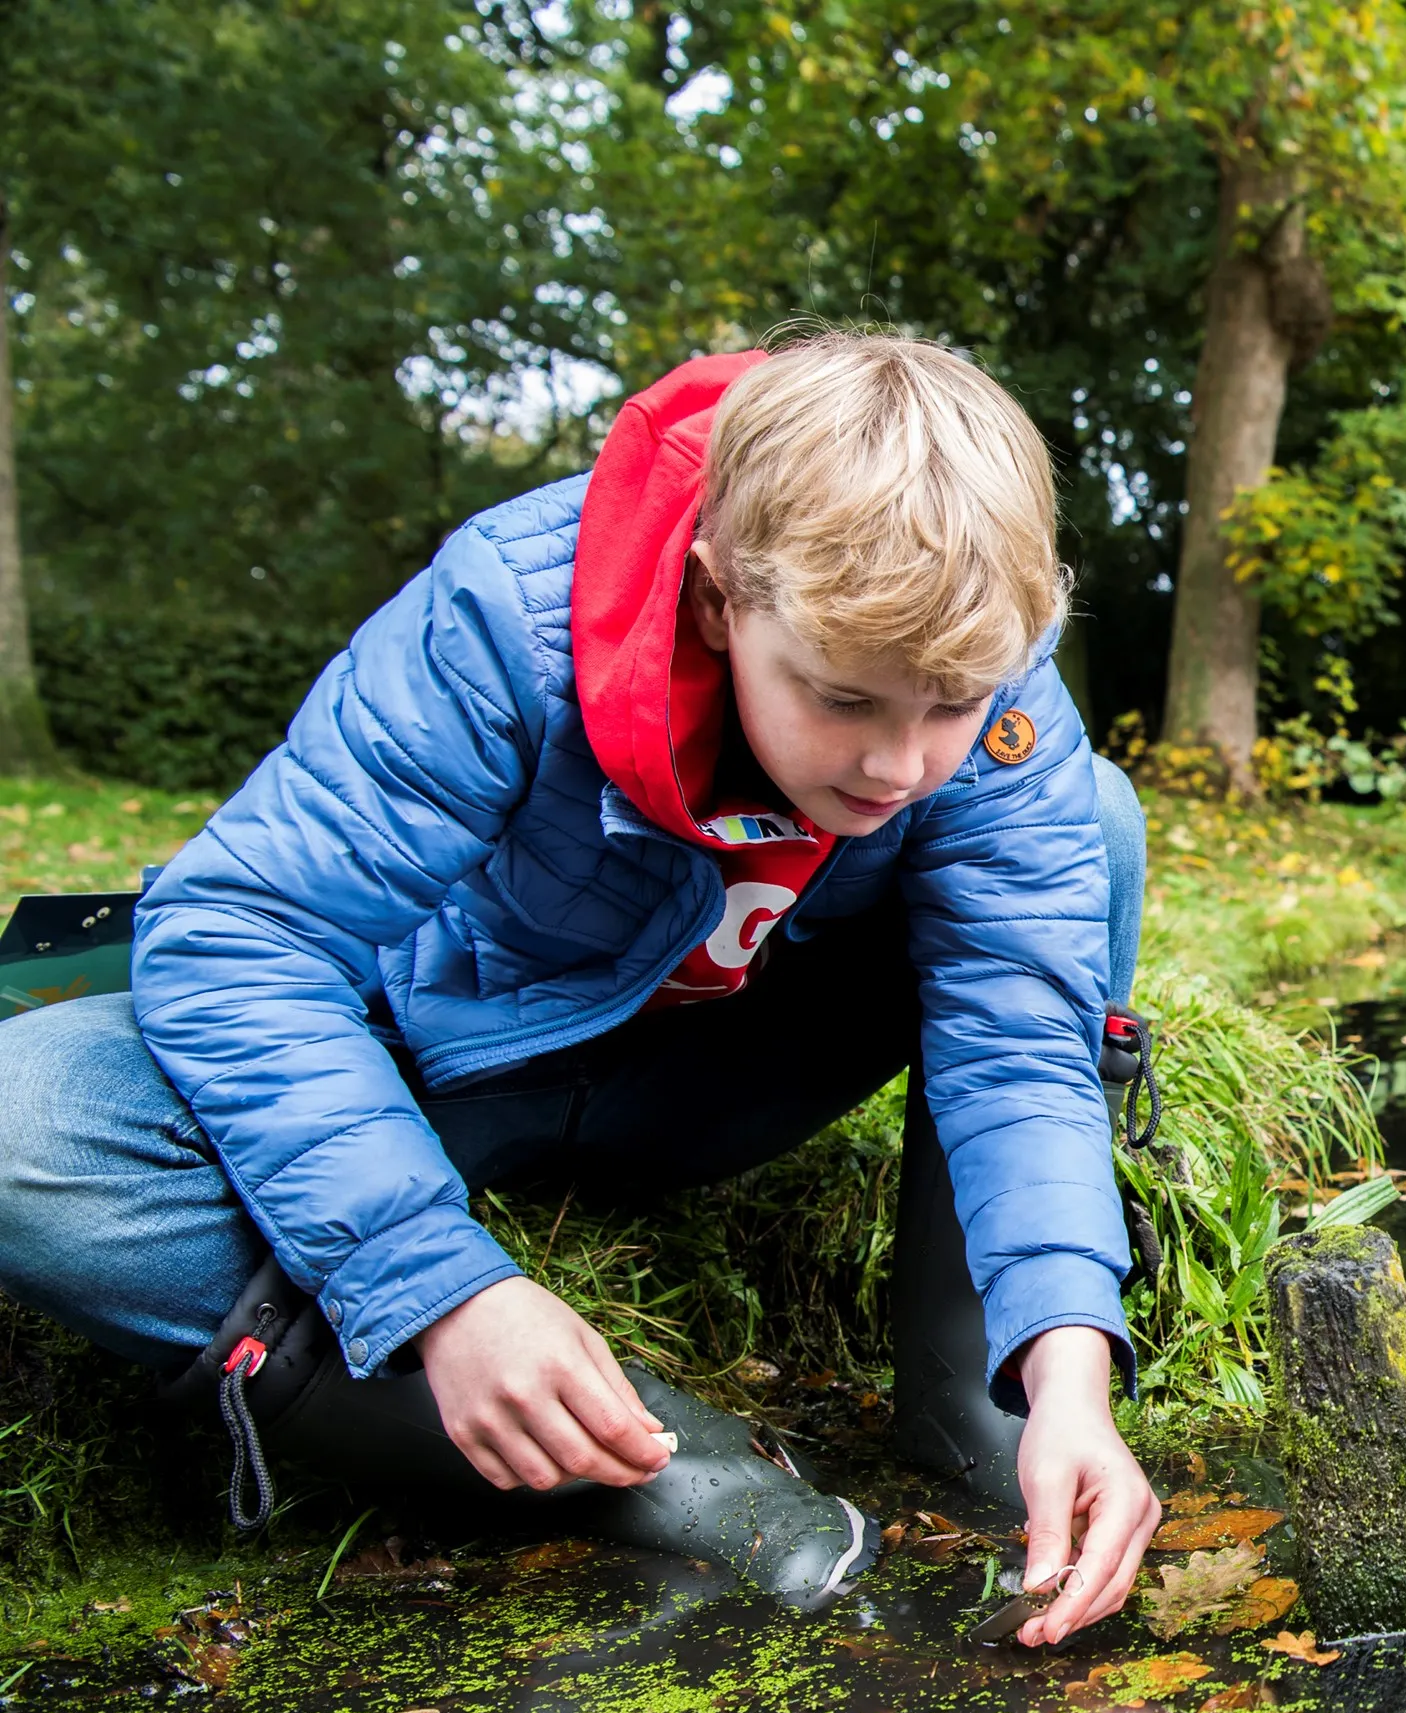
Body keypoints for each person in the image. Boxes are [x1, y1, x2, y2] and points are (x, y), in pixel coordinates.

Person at [0, 333, 1161, 1639]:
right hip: (445, 1060)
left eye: (949, 704)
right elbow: (242, 938)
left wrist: (1067, 1370)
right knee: (23, 1128)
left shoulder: (987, 679)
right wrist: (442, 1291)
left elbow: (1017, 1042)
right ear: (723, 600)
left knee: (1096, 819)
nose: (899, 764)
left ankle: (983, 1406)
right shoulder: (511, 615)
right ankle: (652, 1465)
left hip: (725, 1072)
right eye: (844, 700)